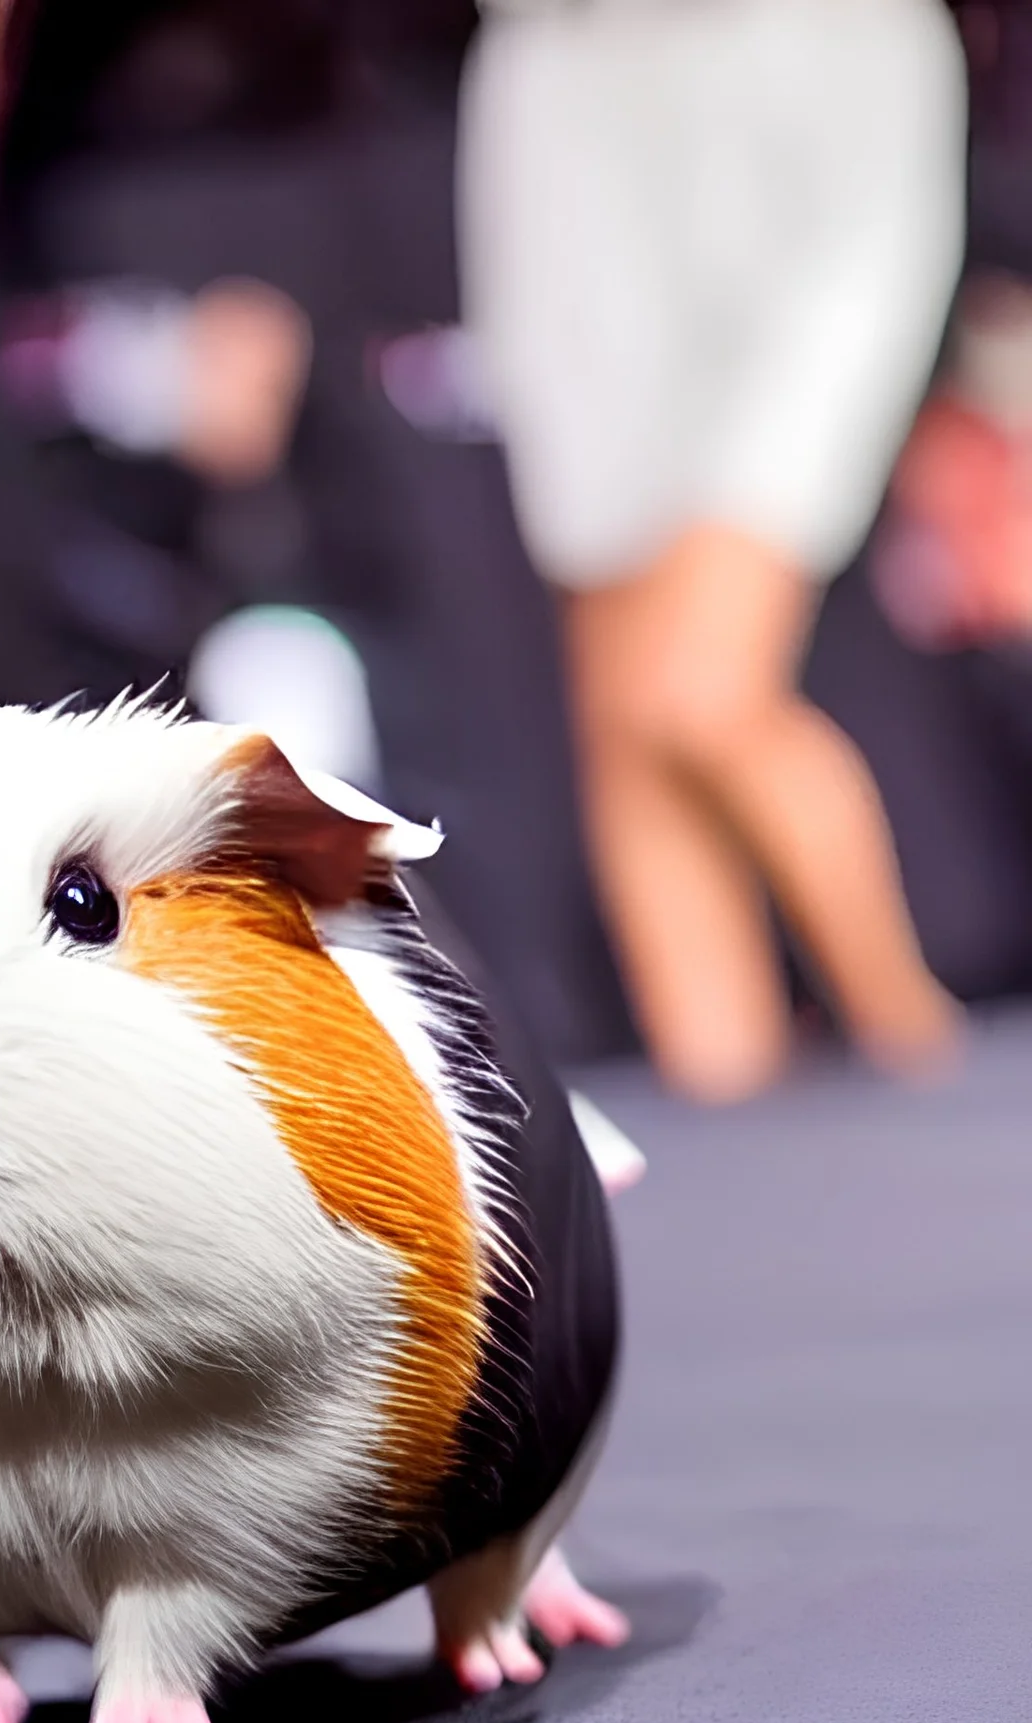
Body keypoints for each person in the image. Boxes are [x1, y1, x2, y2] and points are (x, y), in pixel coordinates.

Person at [460, 0, 970, 1100]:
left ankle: (914, 1039)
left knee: (699, 692)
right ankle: (726, 1091)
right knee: (626, 725)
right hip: (582, 101)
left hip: (811, 76)